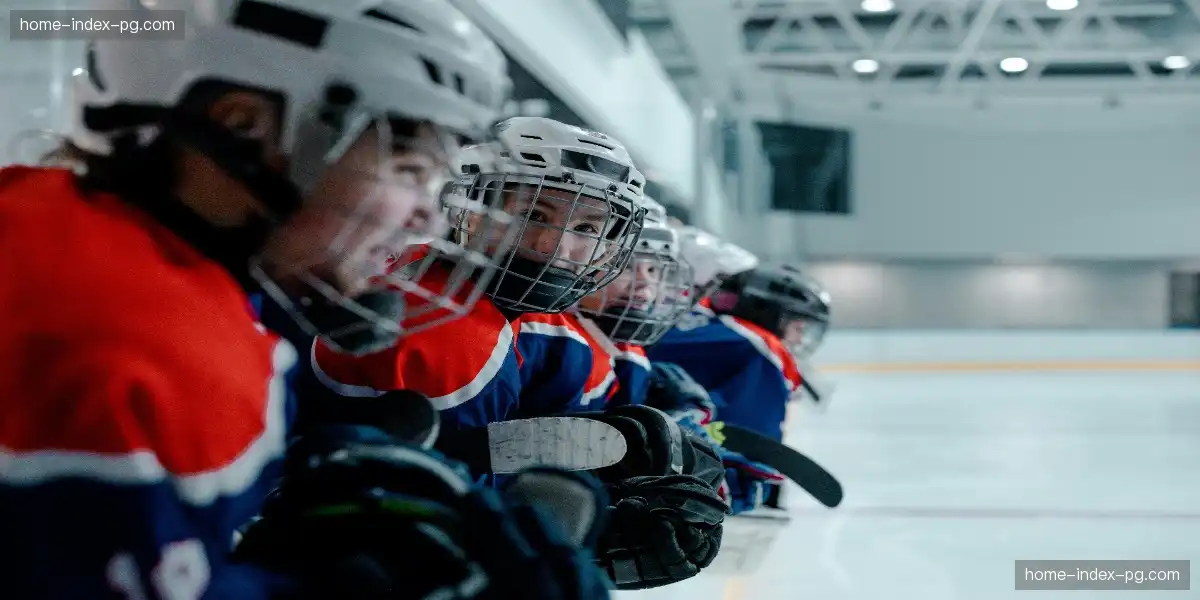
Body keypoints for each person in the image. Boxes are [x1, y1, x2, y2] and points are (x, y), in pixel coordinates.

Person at [0, 1, 612, 598]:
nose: (428, 210)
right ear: (243, 126)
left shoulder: (65, 233)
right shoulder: (130, 338)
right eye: (406, 167)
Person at [309, 116, 646, 431]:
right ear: (468, 212)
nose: (555, 247)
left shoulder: (523, 315)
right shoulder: (453, 340)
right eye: (534, 215)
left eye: (586, 228)